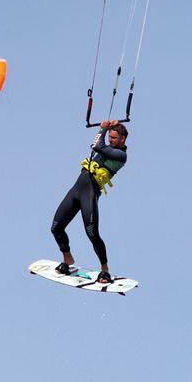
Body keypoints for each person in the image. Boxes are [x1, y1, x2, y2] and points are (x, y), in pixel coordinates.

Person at [51, 121, 128, 284]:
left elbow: (97, 146)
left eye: (114, 138)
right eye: (110, 137)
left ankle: (105, 270)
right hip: (76, 190)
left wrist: (103, 128)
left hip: (90, 194)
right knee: (56, 228)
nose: (111, 140)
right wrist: (107, 128)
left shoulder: (121, 155)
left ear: (123, 139)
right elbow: (100, 145)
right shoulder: (108, 147)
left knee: (92, 233)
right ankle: (67, 258)